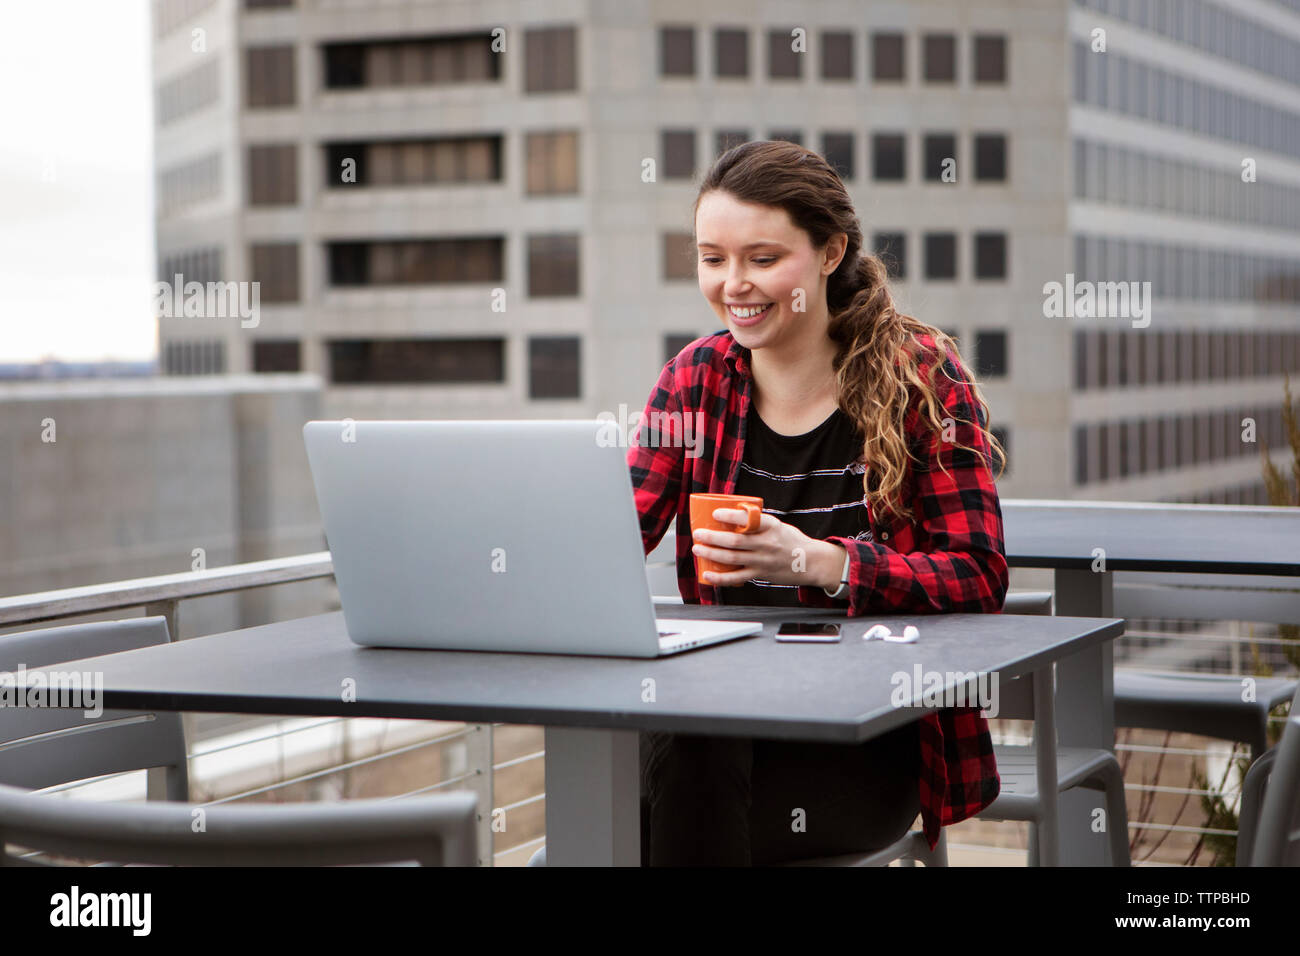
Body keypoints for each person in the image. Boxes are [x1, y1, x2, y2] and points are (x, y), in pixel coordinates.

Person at [628, 140, 1009, 866]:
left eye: (763, 259)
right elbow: (612, 535)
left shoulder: (921, 377)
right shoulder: (696, 380)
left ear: (831, 252)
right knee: (665, 760)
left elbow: (978, 575)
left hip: (864, 741)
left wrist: (822, 562)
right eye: (713, 259)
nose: (733, 284)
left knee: (615, 832)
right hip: (715, 733)